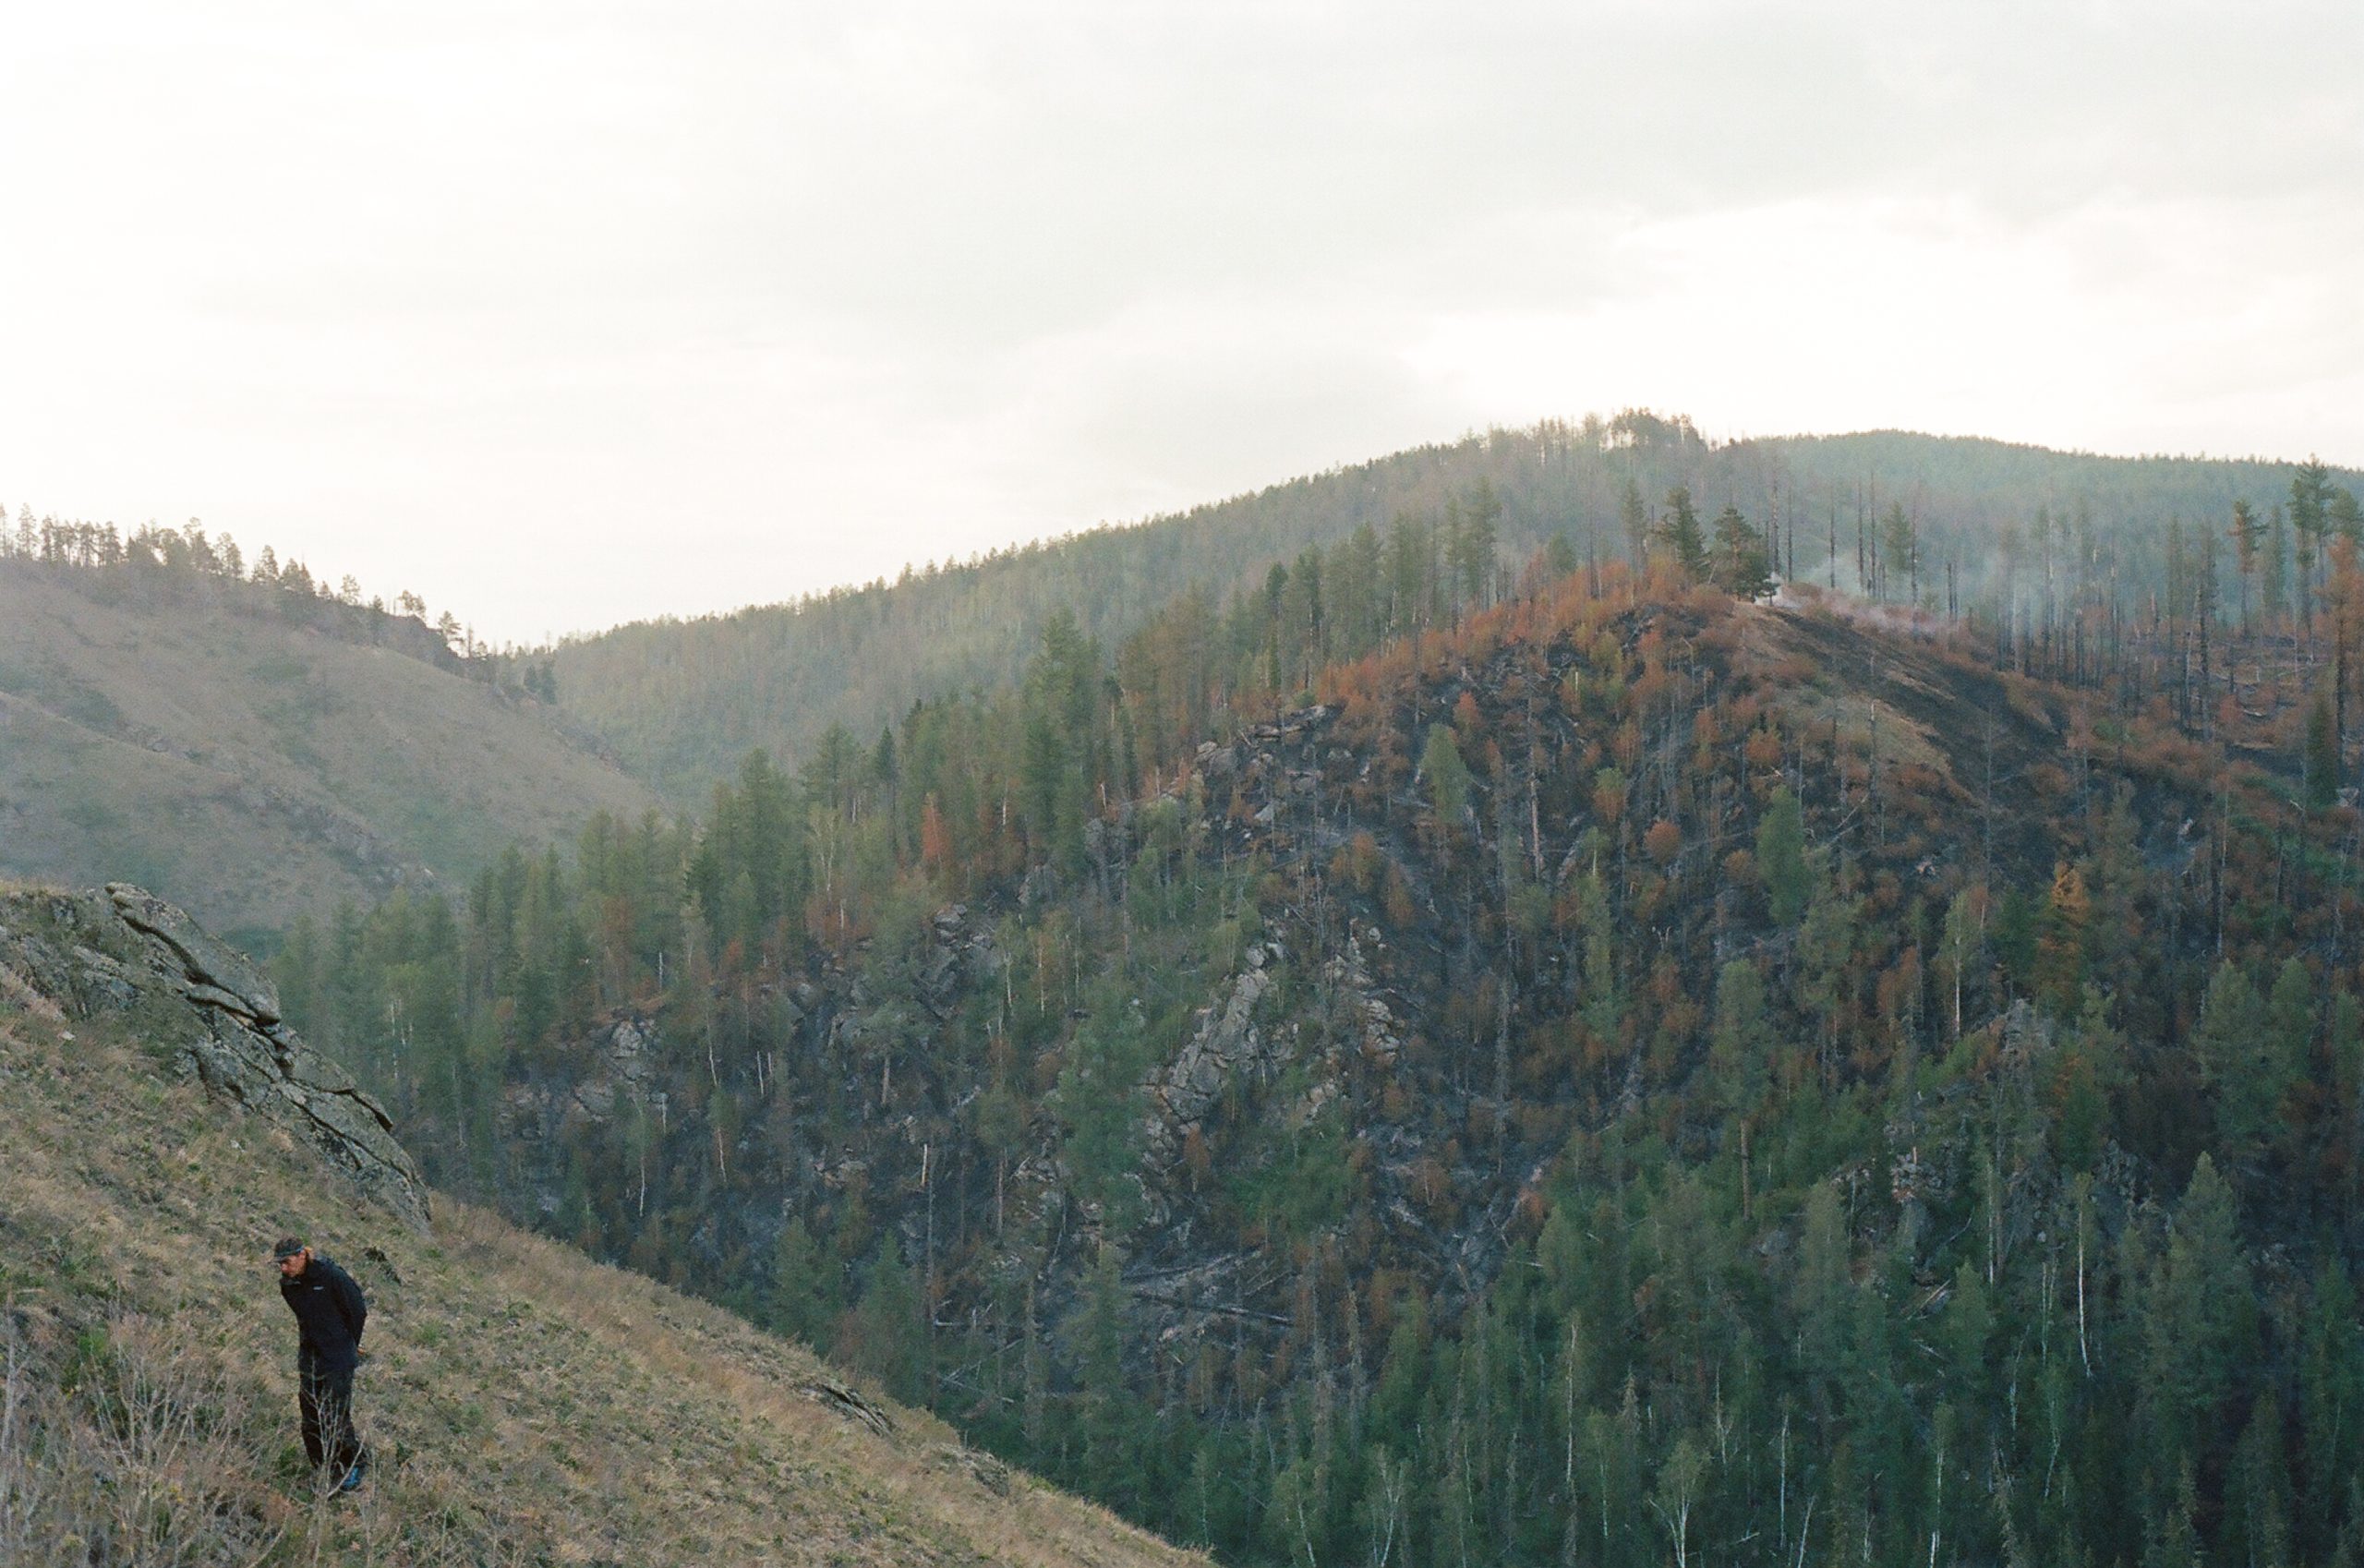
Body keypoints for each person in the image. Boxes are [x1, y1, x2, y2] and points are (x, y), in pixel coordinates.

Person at [271, 1236, 368, 1492]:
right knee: (311, 1415)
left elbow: (357, 1310)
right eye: (279, 1264)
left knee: (335, 1415)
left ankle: (353, 1464)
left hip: (338, 1357)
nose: (283, 1268)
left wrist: (347, 1343)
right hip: (310, 1356)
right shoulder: (288, 1286)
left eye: (287, 1262)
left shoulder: (331, 1276)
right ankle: (324, 1467)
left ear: (303, 1255)